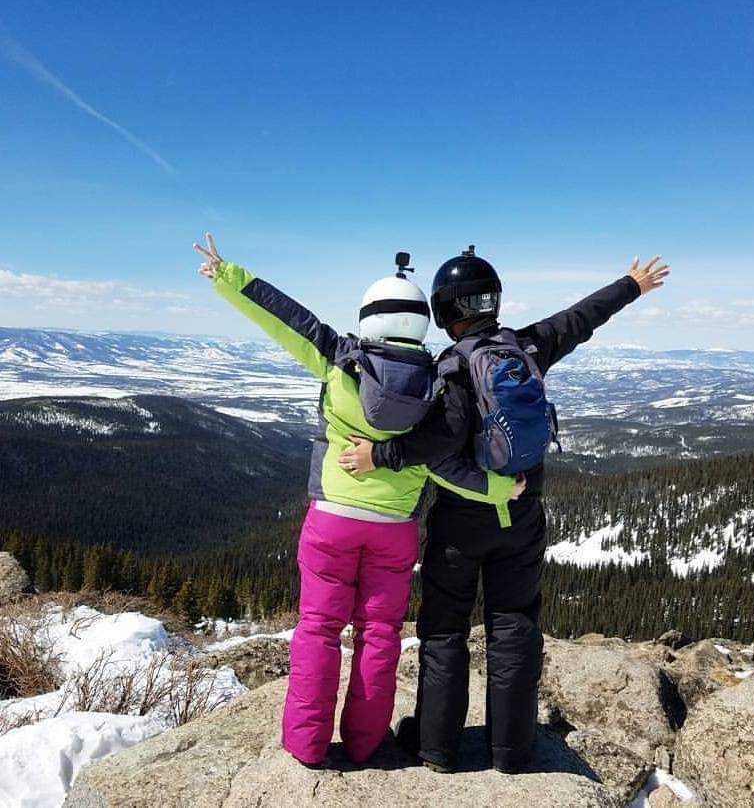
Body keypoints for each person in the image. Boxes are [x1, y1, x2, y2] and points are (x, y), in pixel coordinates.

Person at [194, 235, 525, 768]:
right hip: (394, 530)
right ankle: (367, 743)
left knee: (318, 629)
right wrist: (497, 491)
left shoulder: (340, 359)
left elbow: (286, 318)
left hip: (332, 521)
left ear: (369, 316)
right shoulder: (437, 384)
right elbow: (445, 462)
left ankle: (305, 744)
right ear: (422, 320)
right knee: (381, 634)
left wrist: (227, 274)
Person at [339, 247, 669, 773]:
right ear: (493, 301)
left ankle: (436, 746)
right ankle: (512, 751)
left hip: (460, 522)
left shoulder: (452, 367)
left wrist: (379, 454)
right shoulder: (528, 346)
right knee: (514, 625)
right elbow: (581, 319)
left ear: (446, 311)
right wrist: (630, 285)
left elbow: (437, 439)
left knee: (445, 628)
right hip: (523, 516)